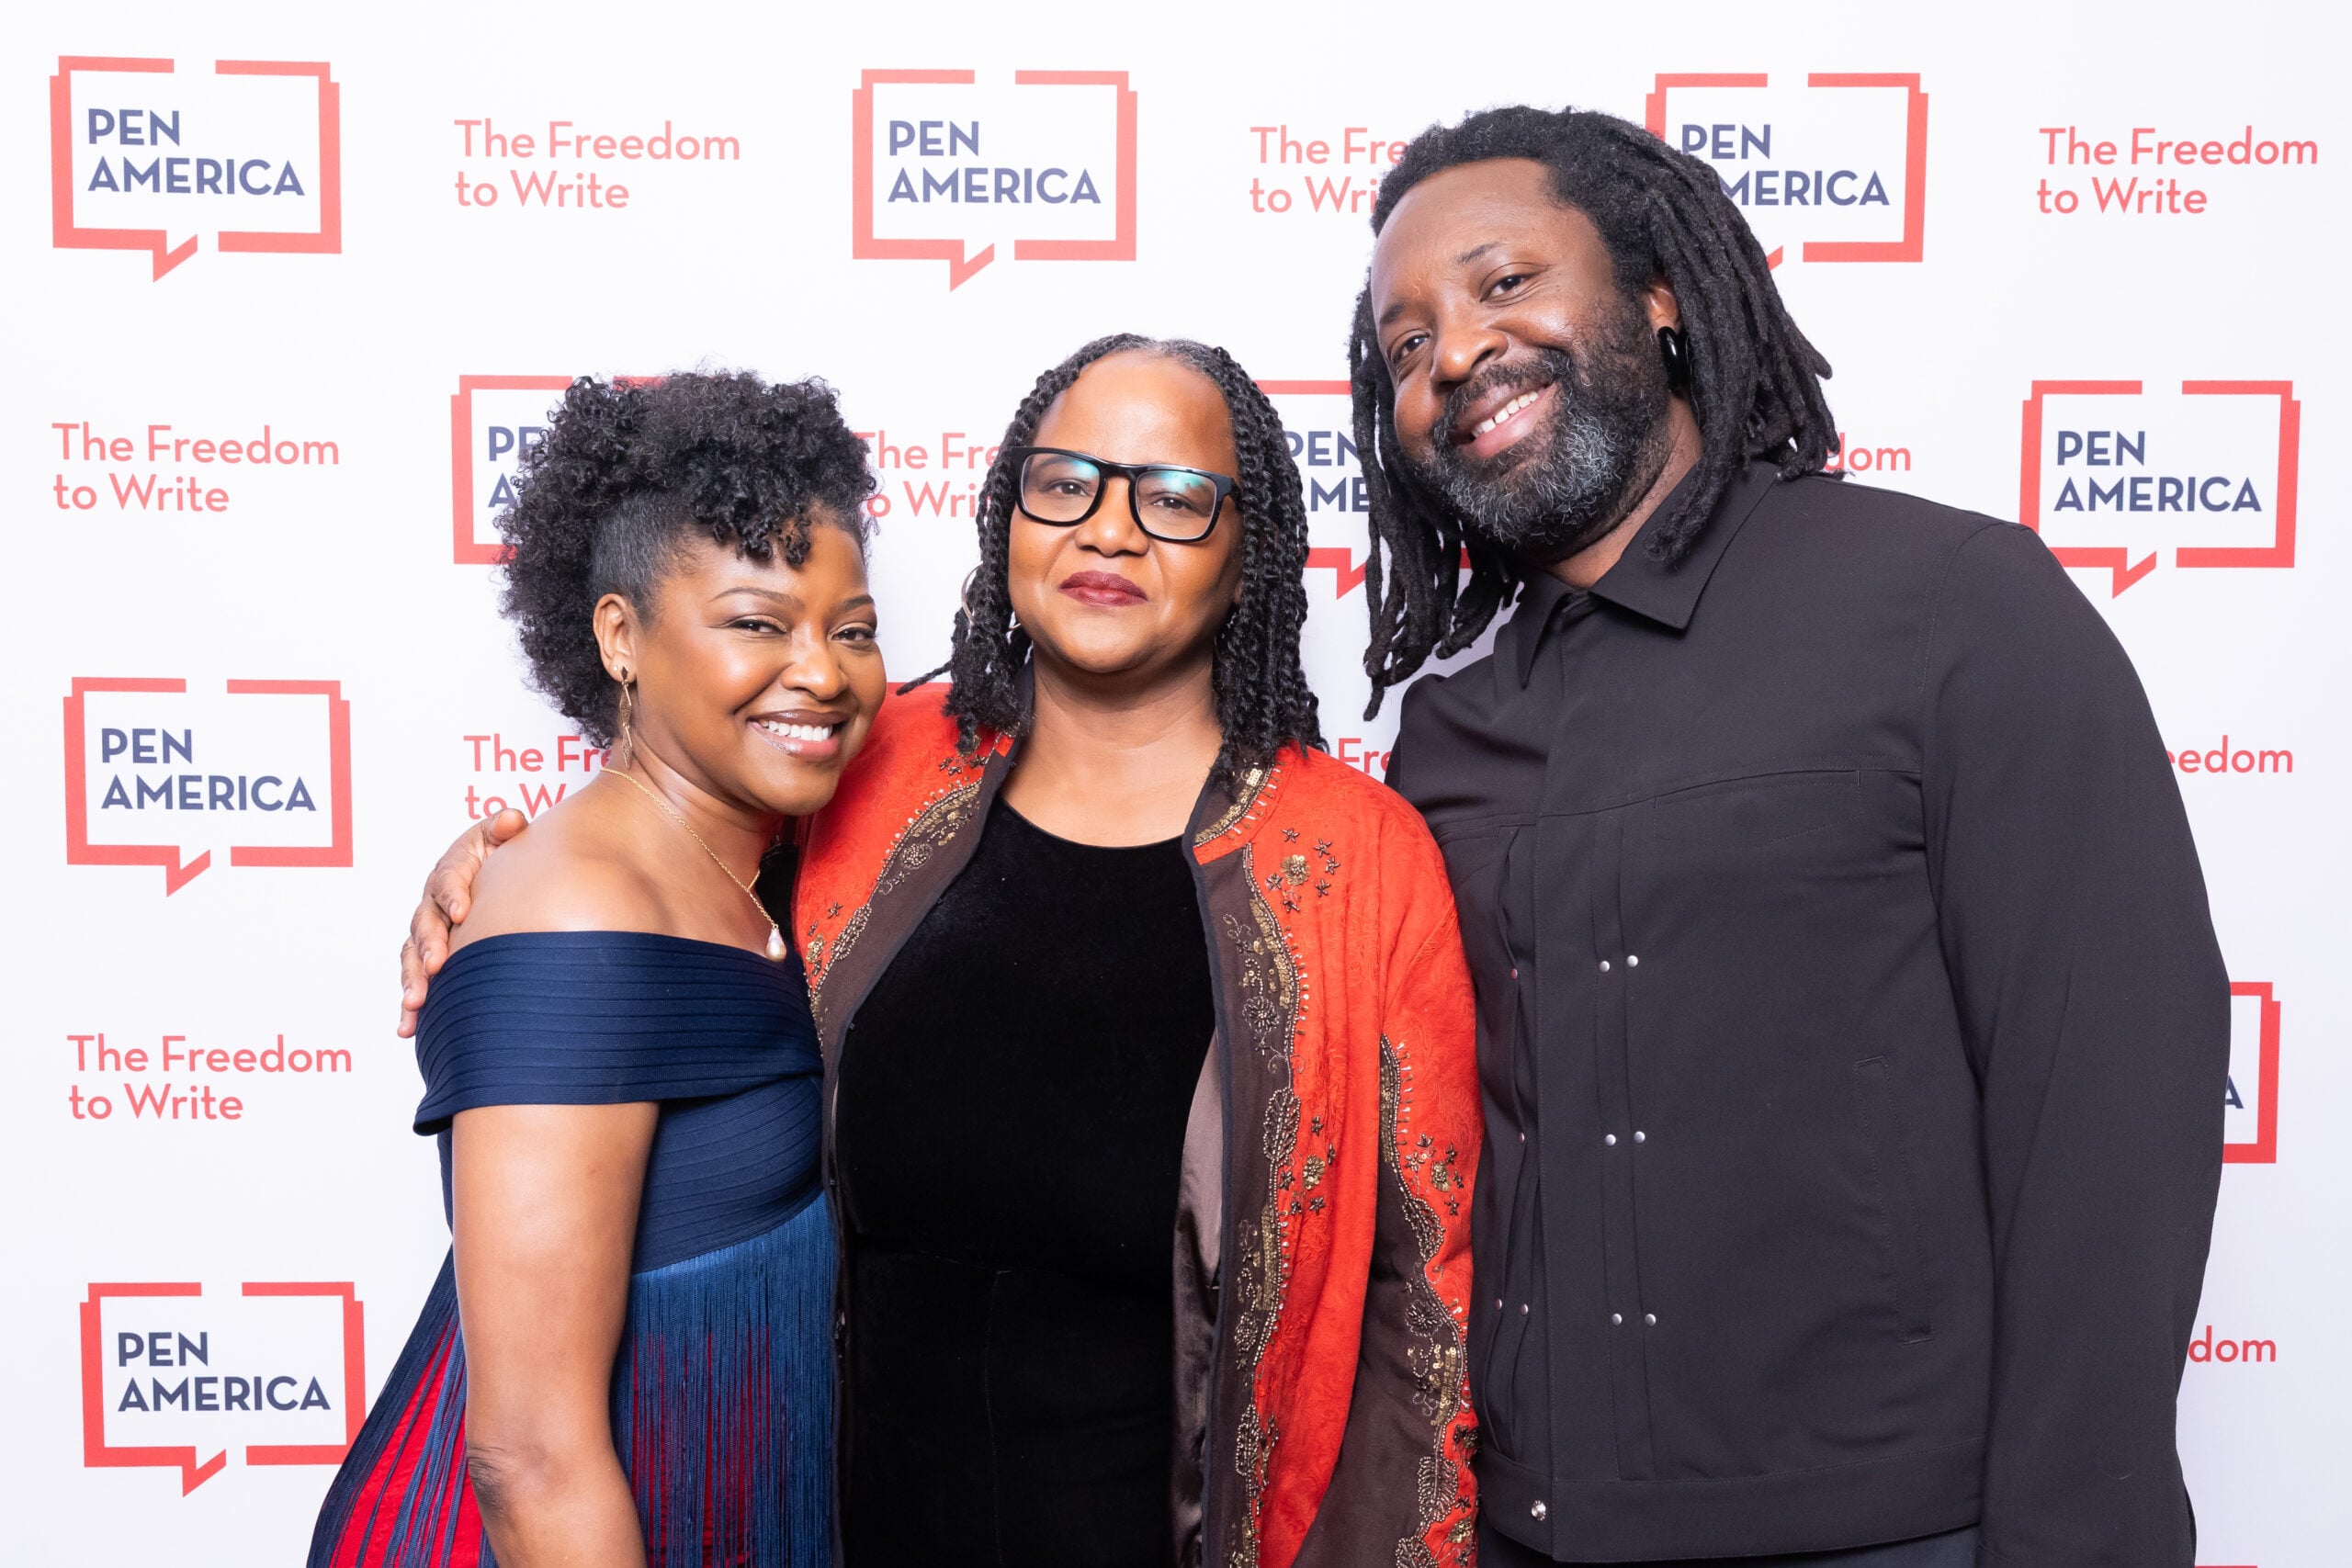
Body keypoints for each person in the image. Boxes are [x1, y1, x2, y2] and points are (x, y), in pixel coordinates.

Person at [399, 335, 1483, 1568]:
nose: (1109, 531)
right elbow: (663, 878)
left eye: (1176, 499)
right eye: (1065, 482)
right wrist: (489, 873)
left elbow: (1426, 1318)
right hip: (833, 1527)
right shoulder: (870, 771)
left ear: (1253, 556)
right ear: (1006, 512)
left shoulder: (1360, 859)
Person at [1349, 107, 2231, 1568]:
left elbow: (2110, 1121)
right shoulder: (1445, 730)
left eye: (1505, 284)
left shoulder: (1957, 608)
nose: (1451, 354)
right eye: (1403, 343)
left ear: (1659, 291)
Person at [314, 371, 884, 1568]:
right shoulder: (575, 915)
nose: (823, 673)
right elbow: (526, 1459)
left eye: (851, 629)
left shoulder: (759, 870)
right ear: (621, 636)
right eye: (754, 623)